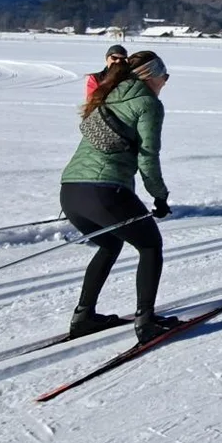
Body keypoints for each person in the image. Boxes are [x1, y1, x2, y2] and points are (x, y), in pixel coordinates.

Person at [61, 50, 179, 344]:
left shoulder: (108, 95)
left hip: (71, 191)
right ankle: (146, 322)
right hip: (105, 191)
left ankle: (84, 317)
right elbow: (148, 157)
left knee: (110, 243)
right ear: (150, 76)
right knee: (150, 245)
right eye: (163, 73)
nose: (166, 79)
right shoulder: (148, 104)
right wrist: (160, 197)